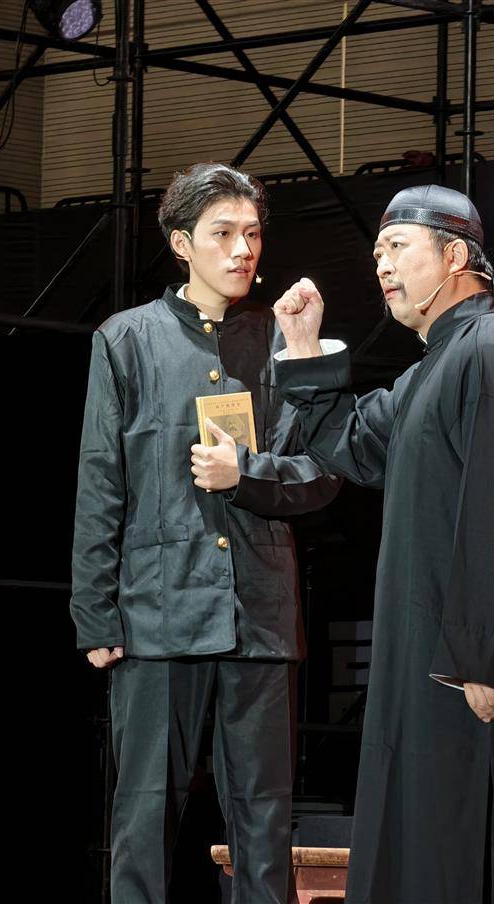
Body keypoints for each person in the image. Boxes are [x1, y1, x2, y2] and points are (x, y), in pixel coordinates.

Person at [270, 185, 494, 904]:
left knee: (467, 846)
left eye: (397, 247)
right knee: (419, 840)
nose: (381, 265)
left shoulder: (490, 355)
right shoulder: (432, 368)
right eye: (376, 252)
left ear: (454, 257)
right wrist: (303, 350)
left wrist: (481, 657)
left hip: (465, 669)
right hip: (430, 656)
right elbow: (354, 445)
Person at [70, 162, 338, 904]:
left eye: (252, 234)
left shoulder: (281, 343)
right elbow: (100, 482)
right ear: (182, 243)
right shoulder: (127, 340)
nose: (242, 250)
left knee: (264, 821)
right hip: (159, 616)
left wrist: (245, 474)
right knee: (144, 818)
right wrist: (95, 611)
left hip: (260, 618)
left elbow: (322, 472)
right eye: (223, 234)